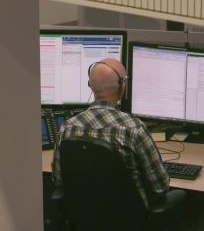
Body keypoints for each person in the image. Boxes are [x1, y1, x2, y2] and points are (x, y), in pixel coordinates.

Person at [51, 58, 170, 208]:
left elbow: (58, 180)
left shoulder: (68, 127)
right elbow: (160, 186)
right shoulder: (133, 129)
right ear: (122, 86)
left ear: (90, 86)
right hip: (130, 218)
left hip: (83, 218)